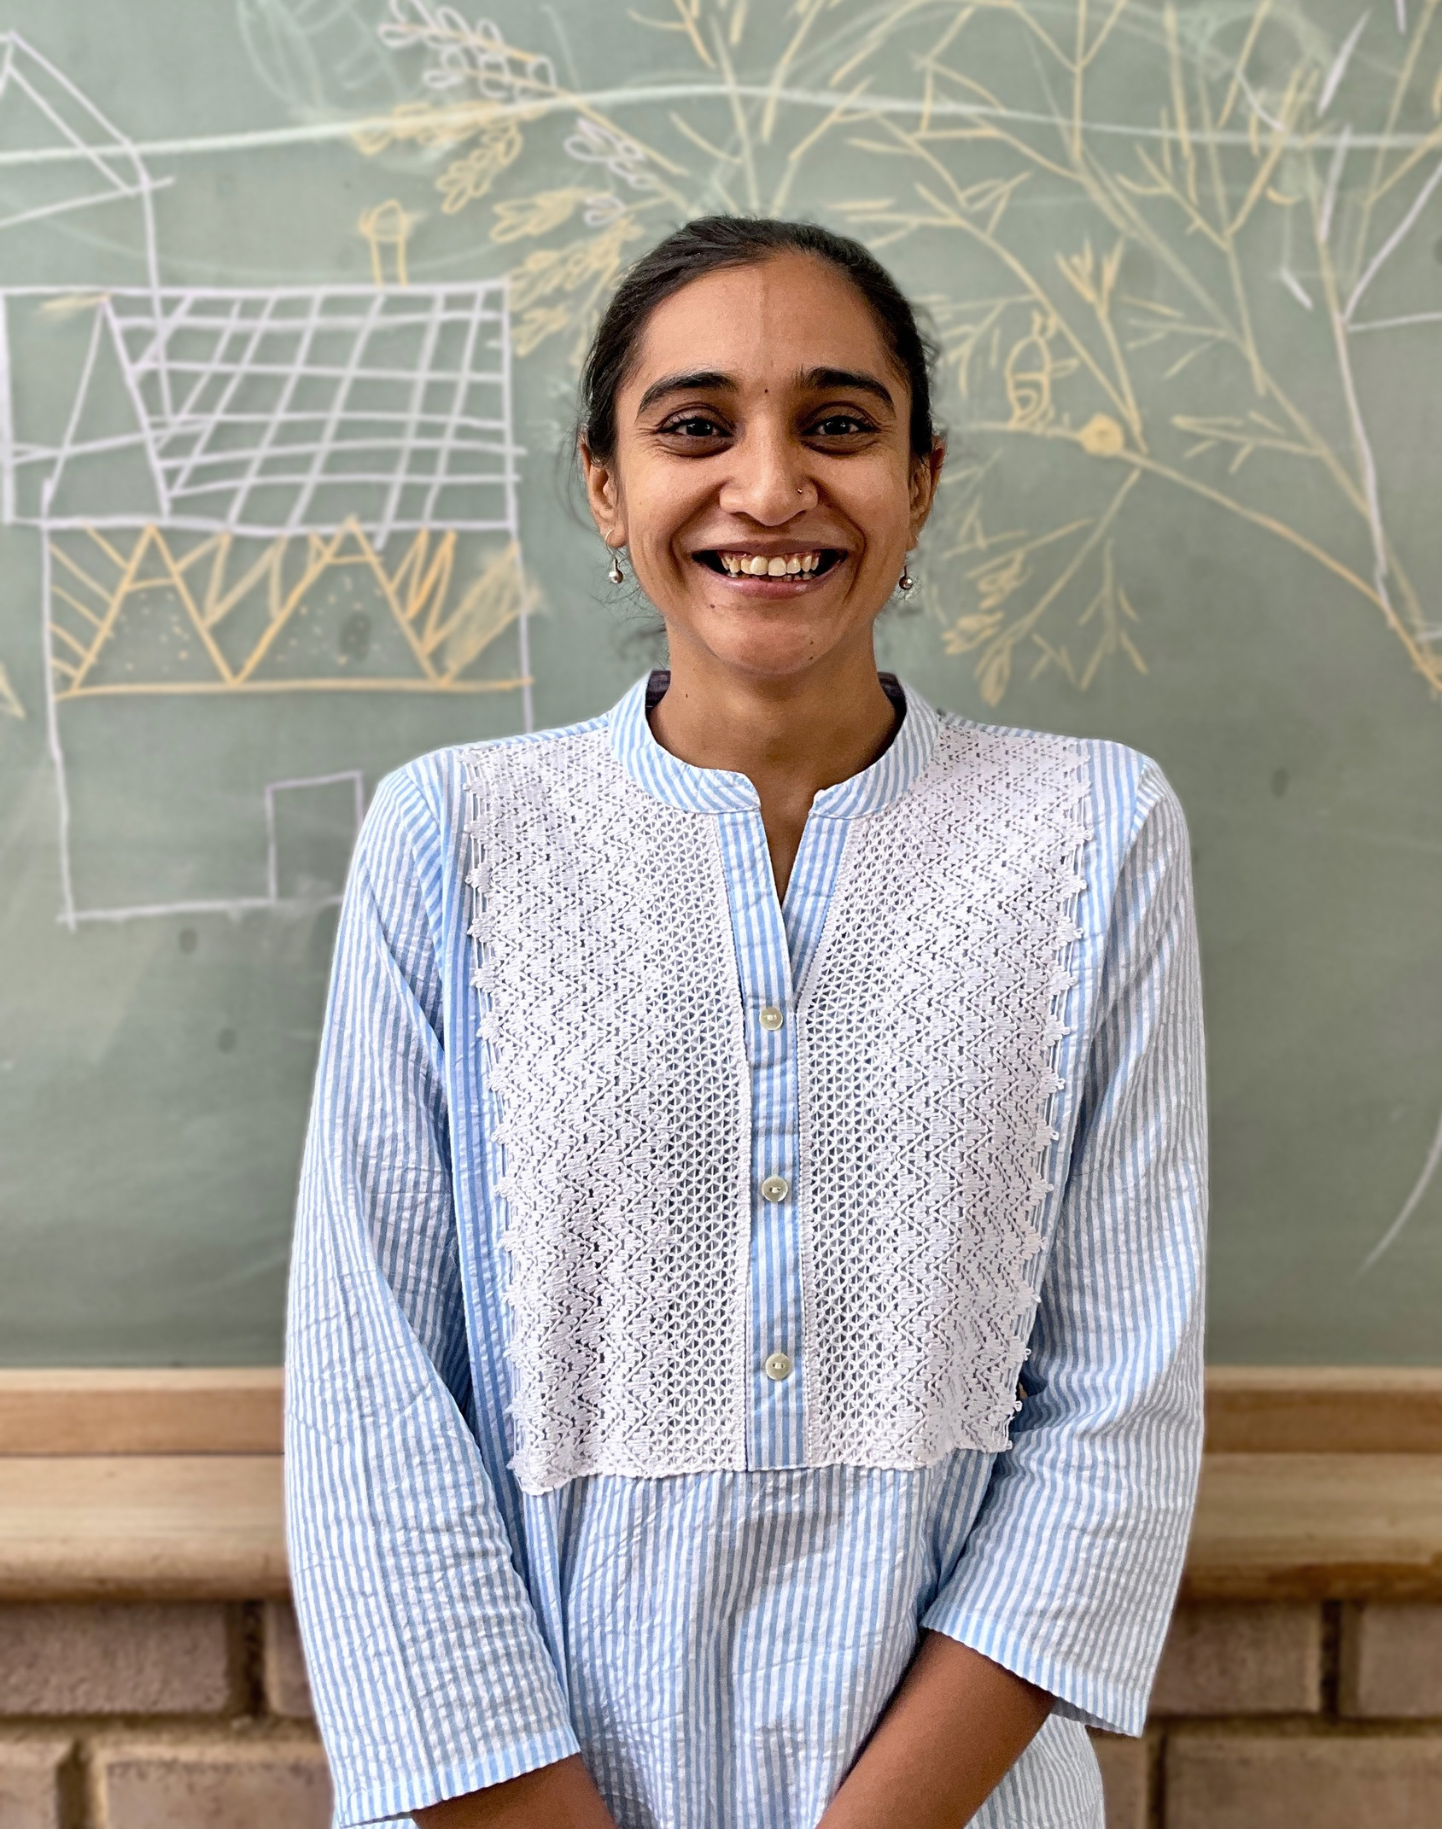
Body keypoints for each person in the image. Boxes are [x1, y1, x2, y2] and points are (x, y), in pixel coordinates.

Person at [285, 216, 1207, 1829]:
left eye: (838, 426)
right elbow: (373, 1415)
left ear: (921, 480)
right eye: (694, 427)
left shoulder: (1094, 834)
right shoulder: (452, 840)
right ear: (604, 484)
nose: (769, 489)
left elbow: (1114, 1411)